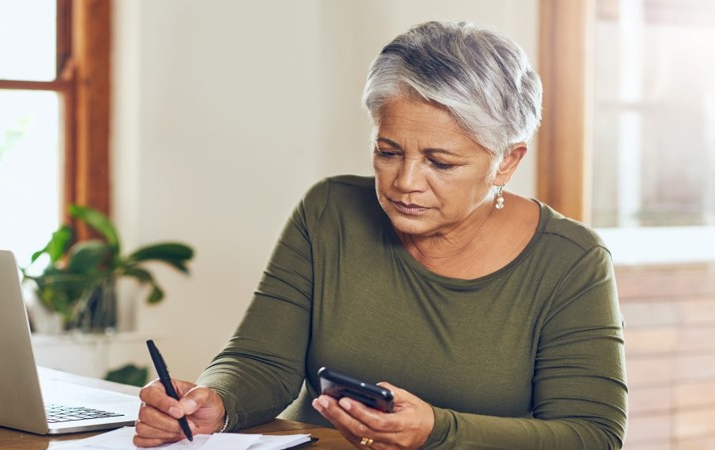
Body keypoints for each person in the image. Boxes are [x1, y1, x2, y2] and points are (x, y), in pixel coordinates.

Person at [133, 21, 627, 449]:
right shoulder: (329, 211)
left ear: (508, 162)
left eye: (440, 162)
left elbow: (591, 434)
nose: (406, 182)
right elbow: (262, 359)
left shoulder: (572, 260)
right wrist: (215, 401)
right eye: (389, 152)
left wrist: (438, 431)